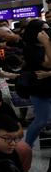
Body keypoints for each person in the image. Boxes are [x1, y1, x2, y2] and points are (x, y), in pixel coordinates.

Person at [21, 19, 51, 147]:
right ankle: (27, 146)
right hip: (39, 88)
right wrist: (47, 44)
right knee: (41, 120)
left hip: (48, 84)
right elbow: (49, 63)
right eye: (42, 30)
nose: (46, 33)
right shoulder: (30, 48)